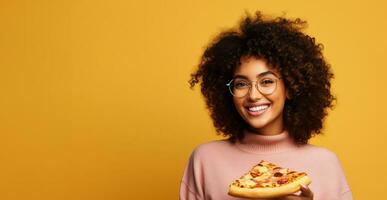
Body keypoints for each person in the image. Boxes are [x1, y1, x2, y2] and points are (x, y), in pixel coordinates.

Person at [179, 11, 353, 200]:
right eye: (241, 84)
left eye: (267, 81)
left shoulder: (326, 164)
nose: (253, 95)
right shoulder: (205, 160)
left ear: (291, 86)